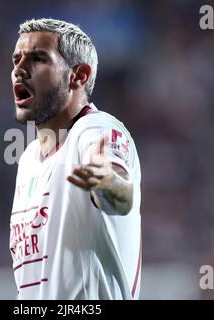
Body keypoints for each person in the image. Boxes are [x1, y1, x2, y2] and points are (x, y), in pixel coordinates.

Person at [9, 18, 142, 300]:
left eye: (38, 58)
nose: (19, 70)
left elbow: (120, 189)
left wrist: (108, 183)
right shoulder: (29, 160)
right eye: (16, 59)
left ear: (78, 75)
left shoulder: (96, 129)